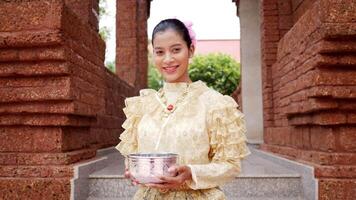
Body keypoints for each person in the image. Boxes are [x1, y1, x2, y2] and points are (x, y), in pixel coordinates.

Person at [115, 18, 250, 200]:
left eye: (176, 50)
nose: (168, 59)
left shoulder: (214, 103)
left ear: (191, 50)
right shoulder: (143, 106)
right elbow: (135, 157)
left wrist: (191, 172)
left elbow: (231, 164)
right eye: (160, 52)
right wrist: (134, 172)